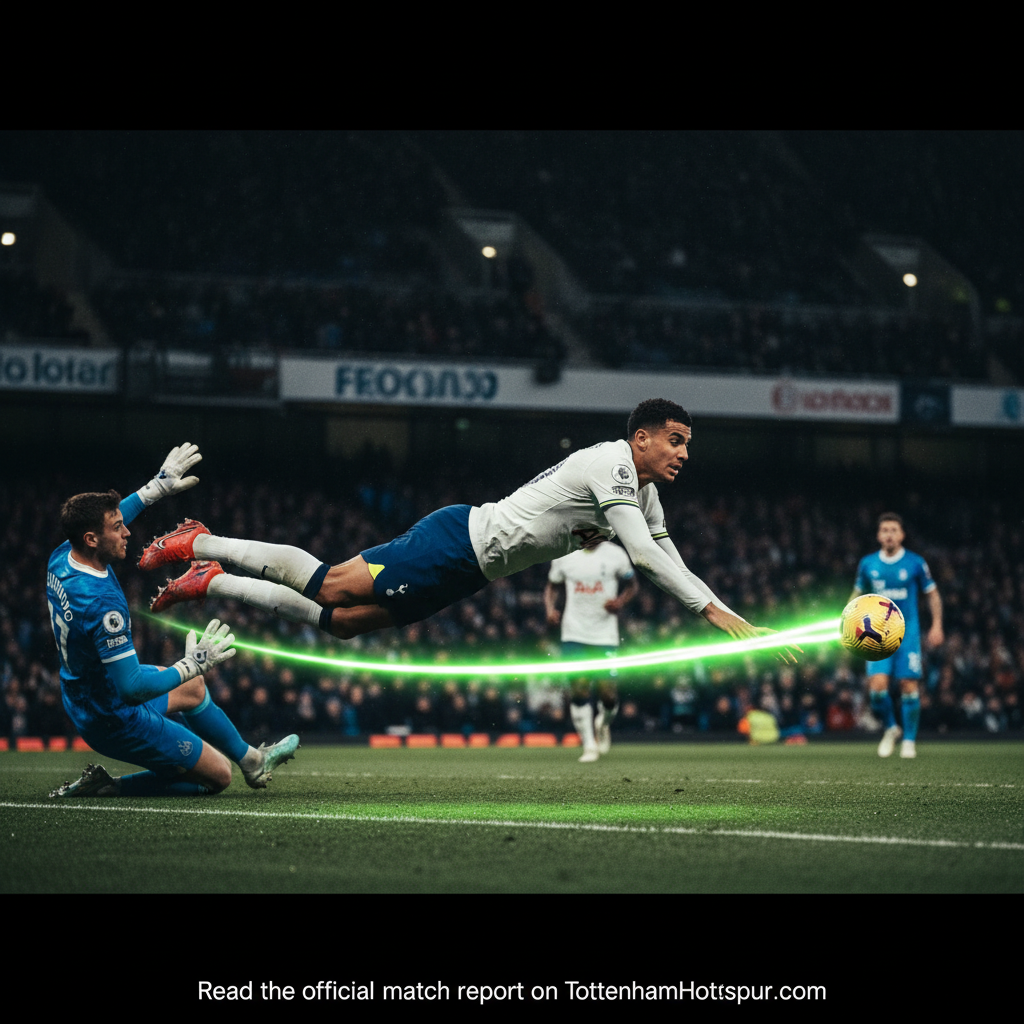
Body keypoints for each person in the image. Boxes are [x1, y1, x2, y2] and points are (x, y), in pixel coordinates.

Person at [142, 399, 798, 664]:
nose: (683, 454)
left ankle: (215, 581)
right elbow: (649, 562)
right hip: (459, 539)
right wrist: (714, 613)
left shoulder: (642, 491)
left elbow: (665, 550)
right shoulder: (611, 464)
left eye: (688, 445)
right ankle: (202, 541)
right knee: (332, 584)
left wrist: (729, 610)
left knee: (342, 626)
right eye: (675, 442)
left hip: (472, 571)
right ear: (642, 439)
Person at [46, 443, 299, 798]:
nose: (127, 532)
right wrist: (191, 664)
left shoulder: (62, 556)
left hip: (86, 694)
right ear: (91, 539)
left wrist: (156, 488)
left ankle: (253, 760)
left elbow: (111, 520)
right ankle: (109, 787)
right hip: (114, 715)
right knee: (218, 776)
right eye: (117, 527)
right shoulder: (104, 605)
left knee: (193, 692)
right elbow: (132, 689)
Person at [849, 512, 943, 759]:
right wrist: (848, 622)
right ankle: (891, 728)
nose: (889, 534)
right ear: (879, 535)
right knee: (877, 689)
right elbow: (856, 594)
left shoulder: (915, 563)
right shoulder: (868, 564)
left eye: (893, 530)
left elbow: (932, 594)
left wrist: (937, 625)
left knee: (908, 684)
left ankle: (909, 741)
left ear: (901, 535)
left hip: (907, 632)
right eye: (885, 530)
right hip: (877, 634)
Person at [544, 539, 638, 762]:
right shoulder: (564, 554)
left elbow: (633, 585)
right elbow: (552, 586)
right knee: (579, 688)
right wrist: (550, 609)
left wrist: (621, 601)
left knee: (608, 695)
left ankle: (602, 724)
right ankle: (588, 744)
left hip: (605, 635)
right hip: (573, 633)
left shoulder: (616, 555)